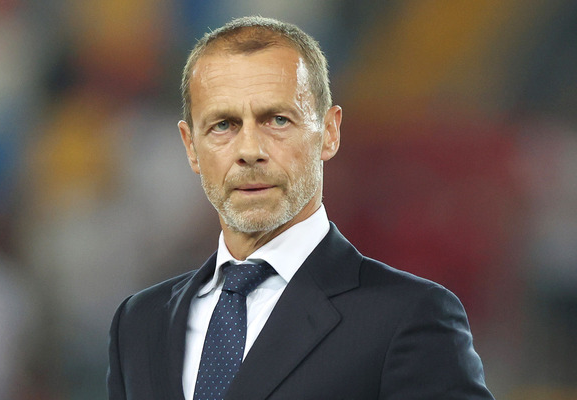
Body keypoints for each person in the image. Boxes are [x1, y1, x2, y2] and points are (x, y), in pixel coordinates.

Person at [107, 16, 494, 400]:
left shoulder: (409, 317)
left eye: (277, 120)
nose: (249, 151)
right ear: (191, 146)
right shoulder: (138, 323)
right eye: (223, 125)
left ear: (329, 132)